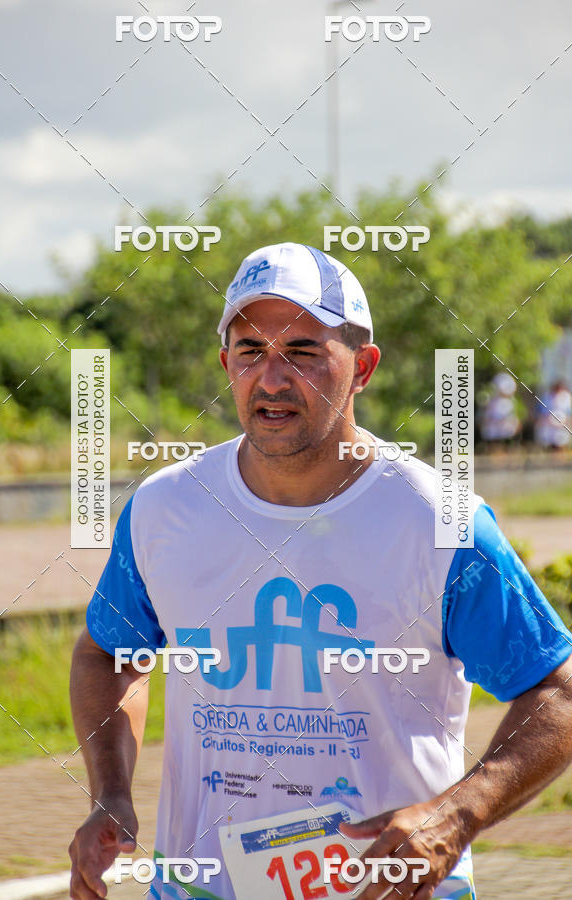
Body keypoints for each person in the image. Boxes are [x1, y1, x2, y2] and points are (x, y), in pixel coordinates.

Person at [69, 242, 572, 900]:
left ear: (362, 367)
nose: (272, 378)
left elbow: (556, 694)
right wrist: (110, 791)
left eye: (302, 352)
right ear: (226, 363)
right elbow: (108, 655)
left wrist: (458, 814)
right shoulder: (165, 507)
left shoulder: (437, 521)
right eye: (250, 351)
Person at [535, 380, 572, 449]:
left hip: (563, 424)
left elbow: (569, 412)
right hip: (548, 423)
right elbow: (541, 411)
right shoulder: (547, 397)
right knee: (548, 442)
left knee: (561, 442)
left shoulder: (567, 397)